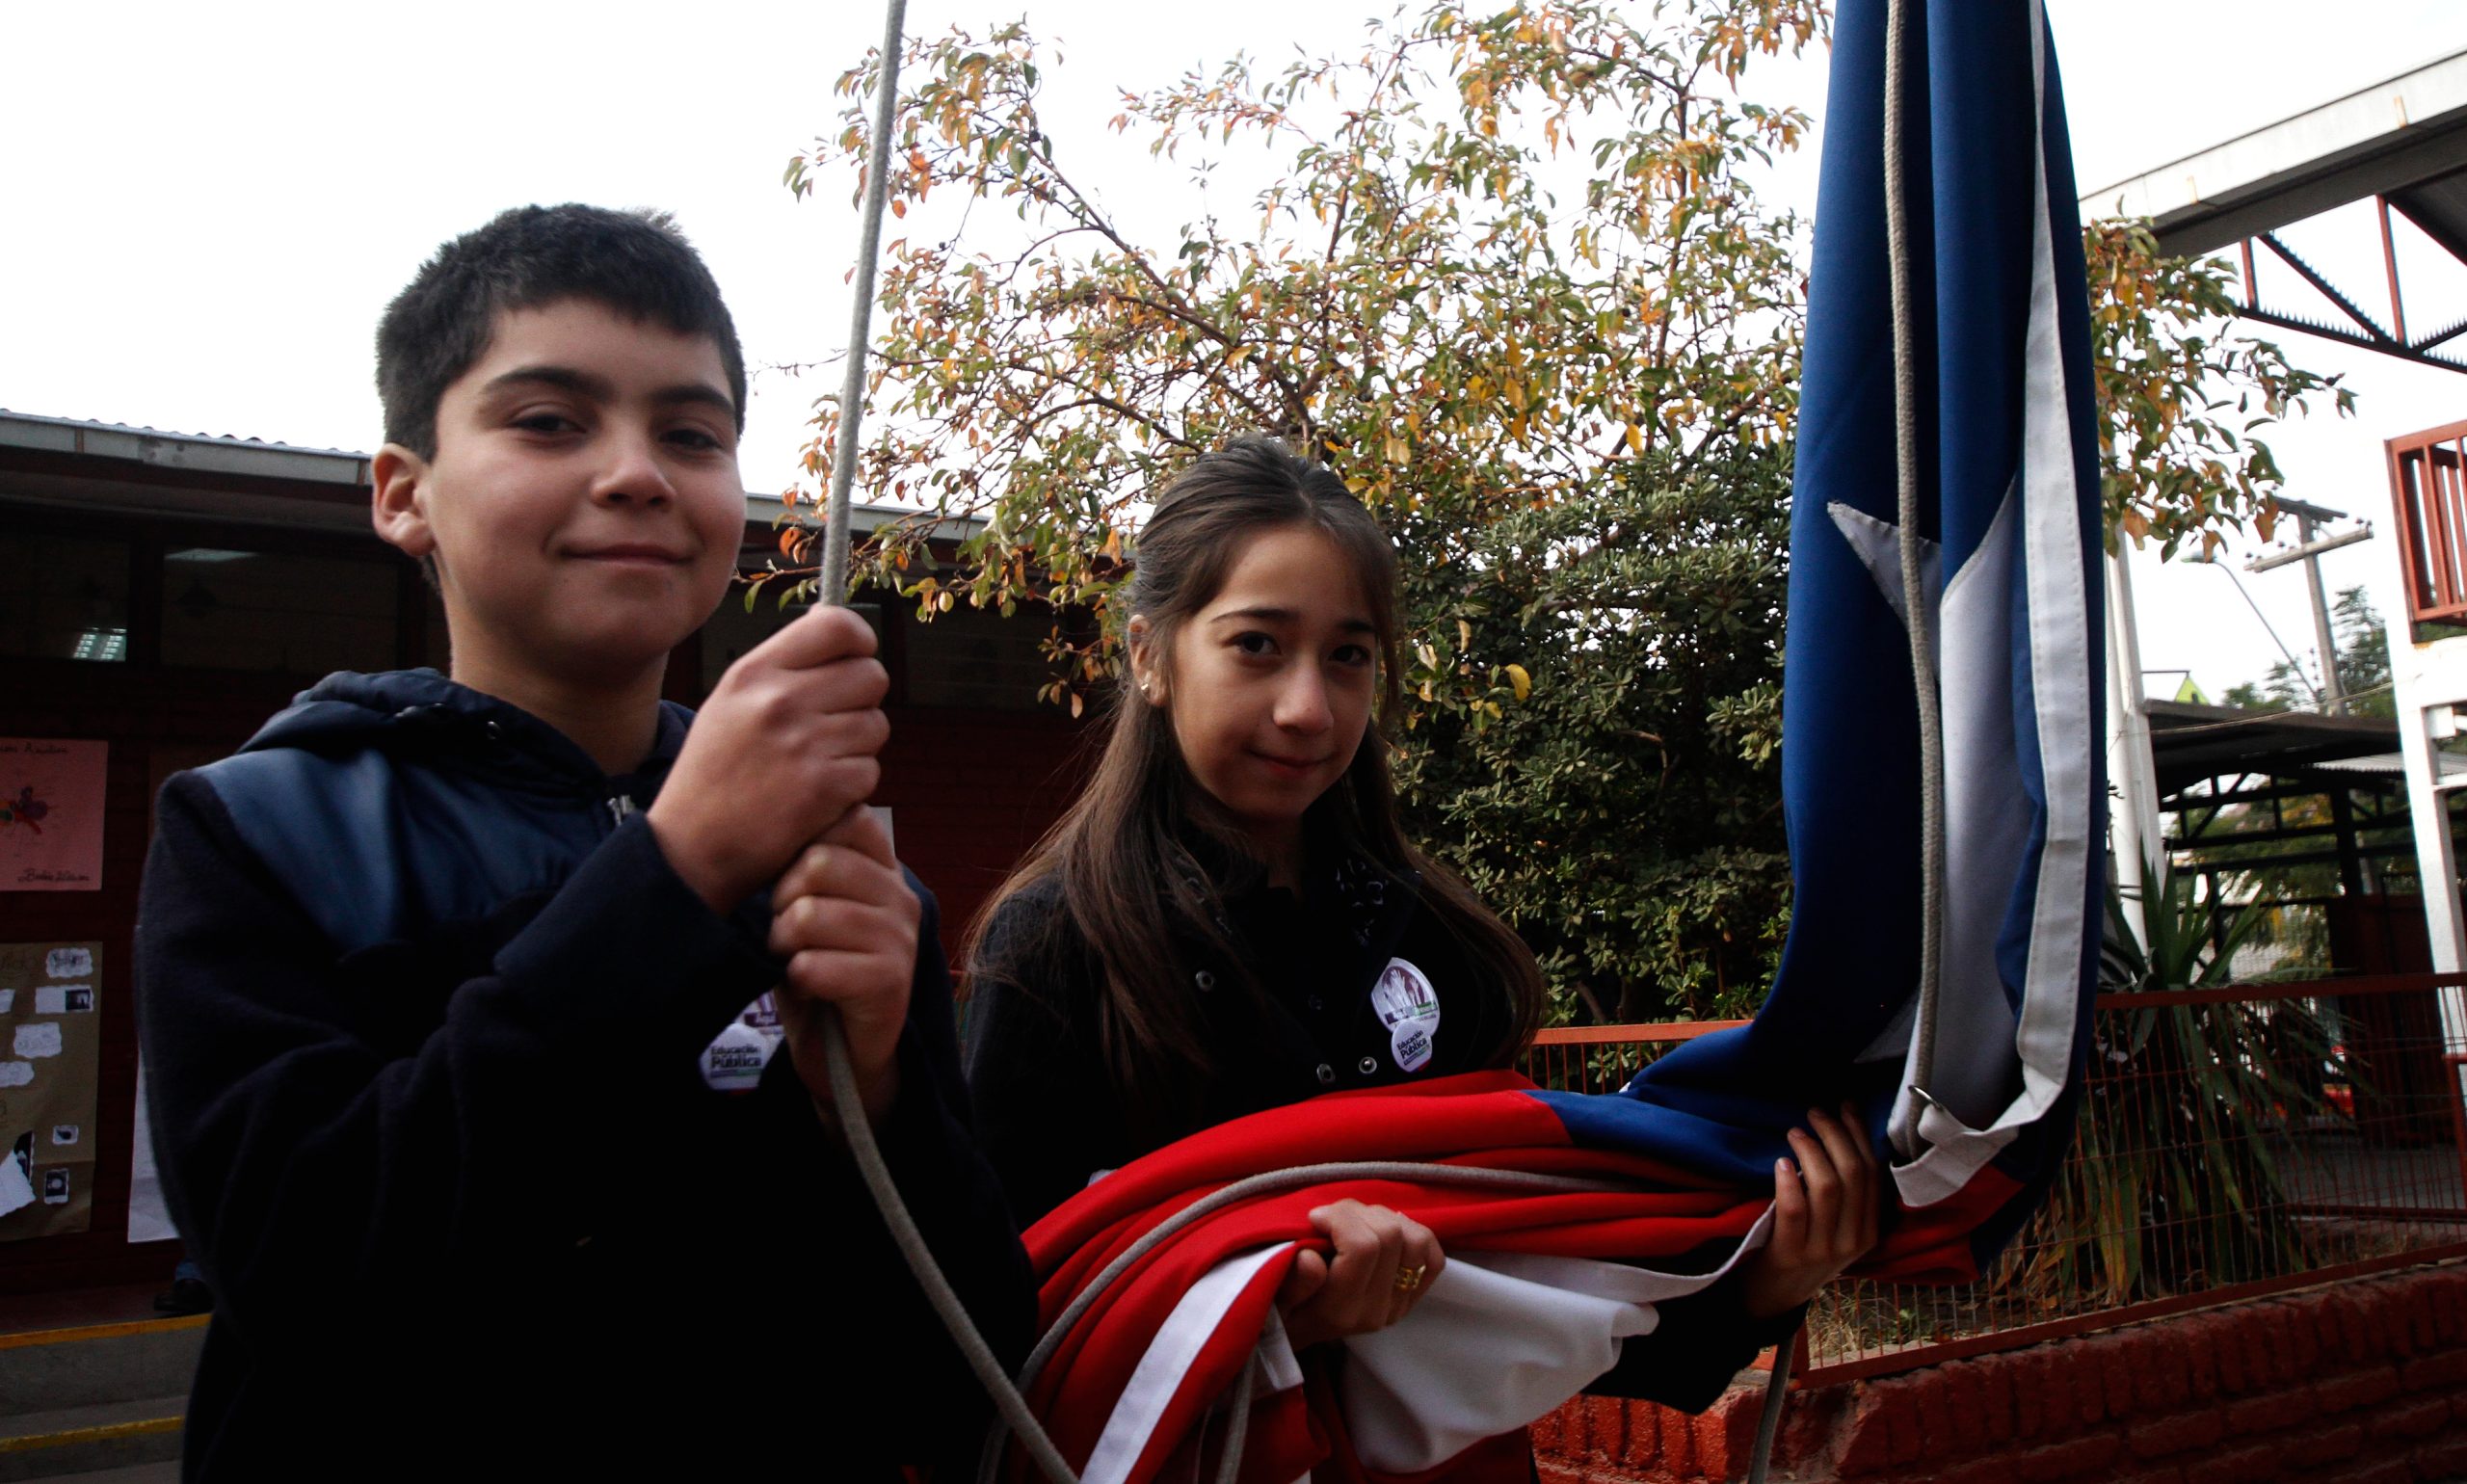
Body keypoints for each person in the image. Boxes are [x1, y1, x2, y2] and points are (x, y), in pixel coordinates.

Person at [135, 204, 1029, 1479]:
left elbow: (966, 1368)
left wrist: (876, 1100)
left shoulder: (848, 877)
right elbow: (313, 1288)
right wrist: (671, 879)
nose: (636, 473)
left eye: (692, 434)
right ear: (405, 495)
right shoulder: (263, 828)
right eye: (549, 421)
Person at [962, 435, 1877, 1432]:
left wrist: (1761, 1284)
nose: (1308, 708)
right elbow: (1003, 1332)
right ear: (1150, 655)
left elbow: (1538, 1315)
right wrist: (1269, 1317)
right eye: (1257, 644)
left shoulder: (1442, 944)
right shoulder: (1057, 947)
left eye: (1347, 656)